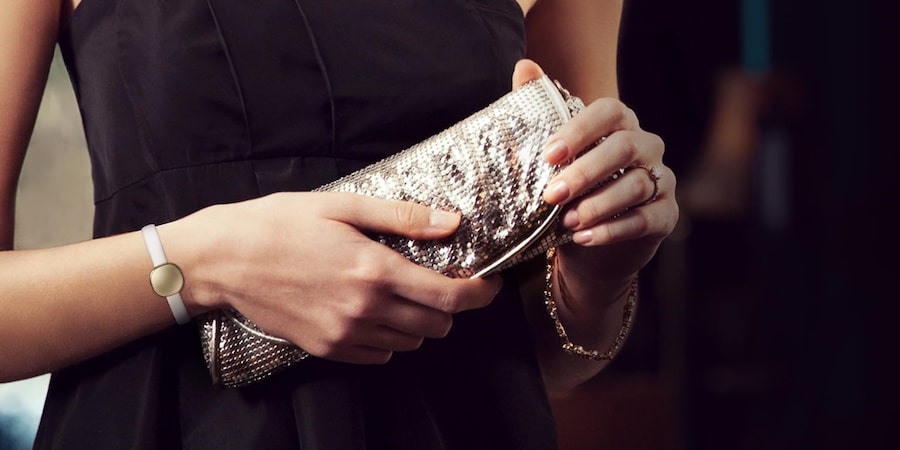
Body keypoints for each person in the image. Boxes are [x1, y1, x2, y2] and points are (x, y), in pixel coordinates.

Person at [0, 0, 678, 448]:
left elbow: (550, 349)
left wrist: (598, 277)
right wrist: (198, 261)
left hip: (461, 425)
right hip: (164, 424)